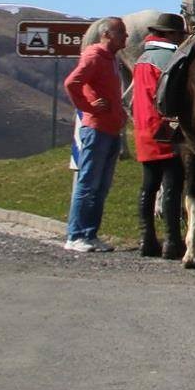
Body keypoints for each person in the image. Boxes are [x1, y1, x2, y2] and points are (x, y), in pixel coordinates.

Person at [63, 17, 127, 253]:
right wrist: (88, 106)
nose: (126, 37)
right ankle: (75, 235)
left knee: (101, 185)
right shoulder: (94, 56)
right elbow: (72, 82)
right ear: (107, 34)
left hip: (111, 128)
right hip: (97, 128)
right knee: (88, 182)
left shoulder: (111, 59)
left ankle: (90, 233)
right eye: (121, 33)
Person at [127, 13, 188, 258]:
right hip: (165, 128)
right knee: (172, 185)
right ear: (171, 34)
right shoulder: (169, 58)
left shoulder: (142, 58)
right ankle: (172, 241)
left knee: (149, 186)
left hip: (143, 128)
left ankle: (147, 239)